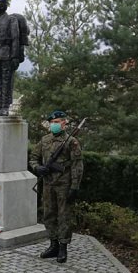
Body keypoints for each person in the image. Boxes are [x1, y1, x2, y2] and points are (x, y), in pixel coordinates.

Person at [28, 110, 83, 263]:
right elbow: (33, 158)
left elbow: (77, 166)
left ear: (64, 123)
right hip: (47, 183)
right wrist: (38, 168)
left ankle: (63, 247)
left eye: (57, 122)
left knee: (64, 216)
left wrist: (74, 187)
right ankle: (53, 245)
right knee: (49, 214)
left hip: (64, 185)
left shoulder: (71, 142)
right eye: (52, 122)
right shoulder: (45, 140)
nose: (54, 125)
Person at [0, 0, 24, 116]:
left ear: (2, 5)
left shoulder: (11, 20)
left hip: (7, 54)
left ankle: (5, 106)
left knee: (7, 81)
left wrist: (14, 56)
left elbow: (15, 39)